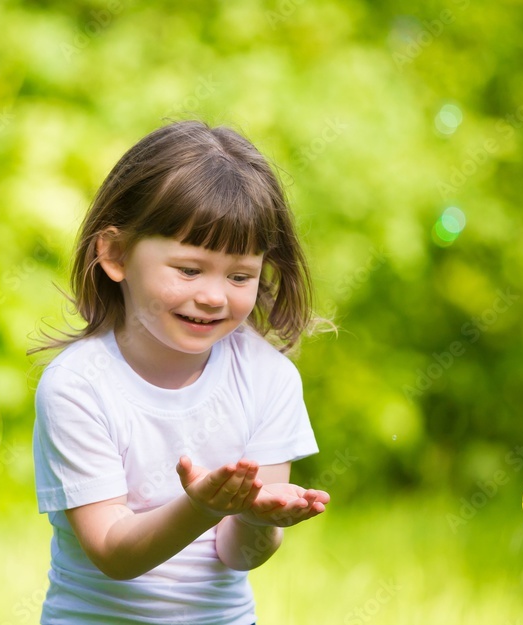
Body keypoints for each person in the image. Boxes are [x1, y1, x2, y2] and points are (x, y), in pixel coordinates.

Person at [31, 120, 331, 624]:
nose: (214, 296)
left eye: (240, 276)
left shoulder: (268, 378)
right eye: (189, 270)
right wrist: (205, 506)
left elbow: (237, 555)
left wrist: (257, 519)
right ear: (116, 253)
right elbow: (113, 551)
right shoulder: (78, 386)